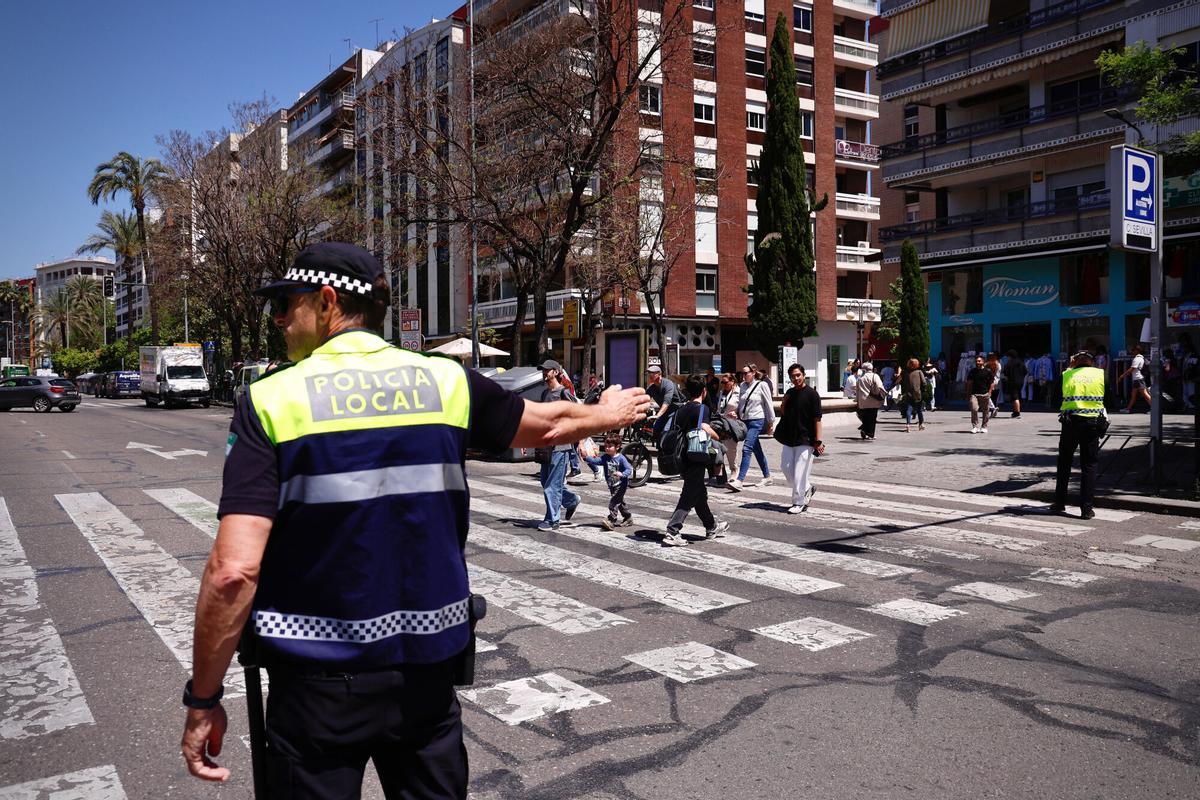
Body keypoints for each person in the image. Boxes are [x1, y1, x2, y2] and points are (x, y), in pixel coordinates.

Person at [180, 242, 651, 798]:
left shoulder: (270, 401)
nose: (279, 319)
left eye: (287, 303)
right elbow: (546, 423)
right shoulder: (446, 382)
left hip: (315, 690)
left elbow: (234, 571)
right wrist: (606, 414)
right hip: (426, 680)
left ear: (328, 302)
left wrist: (203, 699)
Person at [662, 374, 730, 546]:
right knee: (688, 495)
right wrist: (719, 438)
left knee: (699, 494)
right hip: (696, 457)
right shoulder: (702, 409)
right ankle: (672, 531)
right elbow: (705, 428)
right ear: (704, 391)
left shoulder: (680, 410)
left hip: (681, 458)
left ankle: (711, 527)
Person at [1051, 350, 1107, 520]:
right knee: (1089, 465)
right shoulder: (1100, 375)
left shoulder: (1066, 375)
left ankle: (1059, 503)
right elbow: (1111, 400)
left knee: (1064, 463)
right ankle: (1086, 509)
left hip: (1070, 425)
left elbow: (1054, 402)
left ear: (1074, 361)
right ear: (1092, 362)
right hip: (1092, 425)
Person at [537, 360, 583, 528]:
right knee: (545, 481)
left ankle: (552, 519)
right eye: (543, 370)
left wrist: (581, 440)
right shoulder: (544, 394)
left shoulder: (563, 393)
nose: (544, 373)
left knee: (552, 485)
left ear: (556, 372)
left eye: (547, 370)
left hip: (561, 446)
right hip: (545, 445)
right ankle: (571, 500)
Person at [775, 363, 824, 513]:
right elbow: (783, 412)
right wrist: (784, 400)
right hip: (790, 437)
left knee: (800, 472)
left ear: (804, 375)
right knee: (786, 467)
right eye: (793, 376)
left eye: (798, 375)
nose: (796, 378)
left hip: (806, 438)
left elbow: (817, 419)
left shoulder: (812, 394)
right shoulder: (790, 392)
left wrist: (818, 441)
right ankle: (807, 487)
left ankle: (798, 502)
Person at [728, 364, 775, 491]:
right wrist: (735, 413)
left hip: (757, 420)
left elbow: (768, 404)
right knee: (756, 449)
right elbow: (741, 403)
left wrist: (771, 423)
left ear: (753, 372)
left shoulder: (762, 385)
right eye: (742, 373)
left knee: (747, 449)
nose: (743, 376)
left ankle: (739, 480)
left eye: (746, 373)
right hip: (745, 421)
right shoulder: (742, 386)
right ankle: (767, 476)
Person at [580, 434, 634, 531]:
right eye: (606, 446)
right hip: (612, 484)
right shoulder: (606, 457)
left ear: (617, 447)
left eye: (610, 446)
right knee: (620, 501)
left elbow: (629, 469)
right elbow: (597, 461)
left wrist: (622, 474)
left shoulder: (621, 458)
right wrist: (586, 458)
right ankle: (628, 517)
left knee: (613, 502)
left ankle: (611, 520)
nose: (607, 448)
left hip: (621, 484)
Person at [714, 372, 741, 485]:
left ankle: (734, 471)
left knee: (731, 450)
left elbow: (743, 407)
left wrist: (737, 414)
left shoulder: (738, 392)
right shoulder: (722, 393)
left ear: (732, 382)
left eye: (725, 382)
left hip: (732, 425)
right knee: (718, 449)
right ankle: (721, 476)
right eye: (722, 382)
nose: (723, 384)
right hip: (721, 424)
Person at [854, 361, 886, 440]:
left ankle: (864, 429)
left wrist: (857, 400)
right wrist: (884, 394)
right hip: (873, 400)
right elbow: (880, 386)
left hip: (863, 401)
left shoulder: (860, 378)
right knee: (872, 417)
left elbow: (857, 390)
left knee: (865, 416)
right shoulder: (875, 376)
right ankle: (870, 433)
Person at [965, 354, 995, 434]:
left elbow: (992, 383)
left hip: (985, 394)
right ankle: (975, 427)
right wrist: (968, 393)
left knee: (985, 411)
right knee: (974, 409)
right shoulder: (972, 371)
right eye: (976, 361)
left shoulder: (988, 371)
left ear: (983, 362)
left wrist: (989, 392)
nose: (977, 362)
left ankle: (984, 426)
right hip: (974, 394)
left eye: (979, 361)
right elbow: (969, 383)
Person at [1119, 345, 1152, 413]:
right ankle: (1128, 409)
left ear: (1137, 351)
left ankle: (1154, 409)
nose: (1132, 352)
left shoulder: (1137, 358)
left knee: (1145, 395)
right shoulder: (1141, 358)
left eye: (1133, 350)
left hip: (1138, 379)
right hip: (1137, 379)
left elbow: (1132, 368)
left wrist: (1122, 375)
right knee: (1133, 395)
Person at [900, 358, 926, 432]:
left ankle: (908, 425)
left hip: (909, 393)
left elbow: (904, 383)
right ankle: (921, 424)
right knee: (919, 410)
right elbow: (924, 382)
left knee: (909, 409)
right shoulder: (919, 372)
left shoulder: (906, 373)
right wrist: (923, 390)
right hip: (918, 393)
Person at [1002, 349, 1027, 419]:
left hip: (1012, 382)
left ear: (1010, 356)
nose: (1007, 358)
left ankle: (1017, 412)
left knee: (1015, 397)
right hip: (1020, 382)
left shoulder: (1009, 363)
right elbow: (1025, 371)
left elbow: (1005, 373)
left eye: (1008, 356)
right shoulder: (1021, 362)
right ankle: (1015, 411)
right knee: (1016, 396)